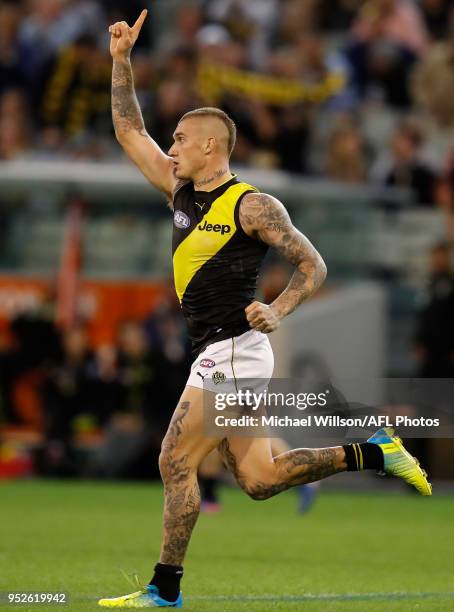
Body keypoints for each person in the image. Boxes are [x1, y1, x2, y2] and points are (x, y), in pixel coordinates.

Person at [98, 10, 432, 608]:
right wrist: (122, 61)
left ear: (208, 146)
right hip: (222, 350)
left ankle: (164, 590)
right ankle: (375, 449)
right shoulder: (180, 190)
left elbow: (314, 264)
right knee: (259, 479)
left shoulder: (251, 205)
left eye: (178, 139)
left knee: (175, 462)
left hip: (231, 349)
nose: (169, 147)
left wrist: (278, 308)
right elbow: (128, 132)